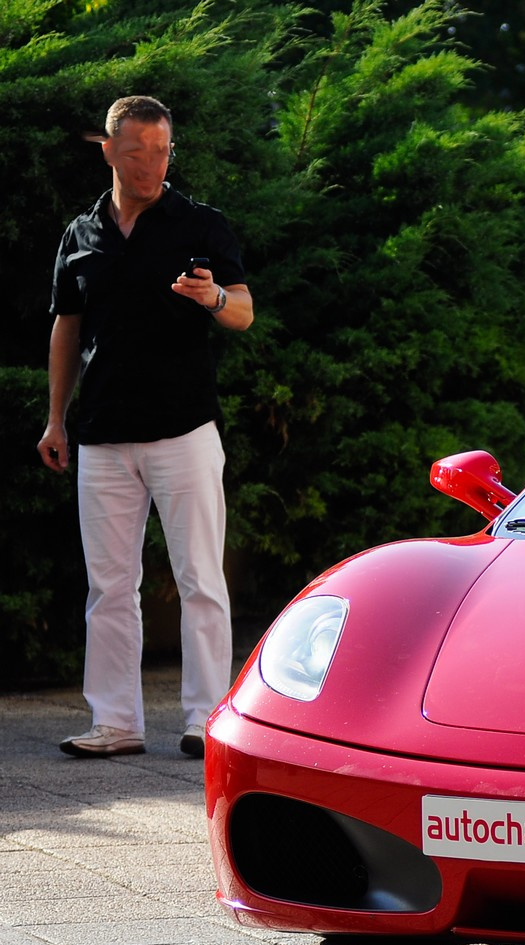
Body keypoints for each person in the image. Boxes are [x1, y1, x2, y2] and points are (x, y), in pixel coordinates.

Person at [36, 95, 254, 759]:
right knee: (108, 588)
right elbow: (66, 328)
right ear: (107, 151)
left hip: (184, 432)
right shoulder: (81, 235)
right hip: (101, 435)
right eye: (136, 152)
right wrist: (55, 419)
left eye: (161, 151)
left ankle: (206, 719)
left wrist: (213, 298)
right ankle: (116, 723)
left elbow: (243, 310)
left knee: (200, 582)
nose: (151, 165)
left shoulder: (199, 225)